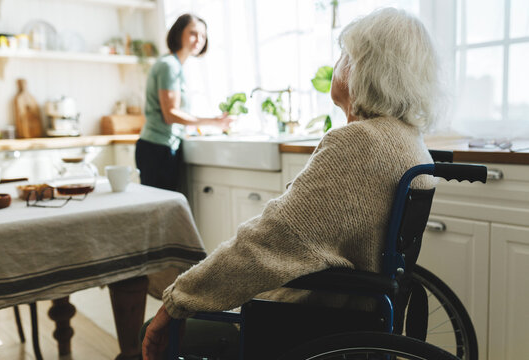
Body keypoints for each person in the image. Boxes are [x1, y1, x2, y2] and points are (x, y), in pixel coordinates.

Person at [142, 8, 441, 360]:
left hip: (305, 327)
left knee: (150, 331)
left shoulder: (359, 144)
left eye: (346, 54)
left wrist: (177, 299)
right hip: (361, 323)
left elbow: (262, 244)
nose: (338, 62)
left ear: (366, 68)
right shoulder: (410, 142)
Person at [136, 14, 232, 191]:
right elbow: (170, 114)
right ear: (178, 33)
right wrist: (214, 122)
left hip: (161, 146)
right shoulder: (169, 66)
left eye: (203, 36)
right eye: (193, 33)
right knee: (161, 212)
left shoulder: (176, 66)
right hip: (157, 148)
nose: (199, 40)